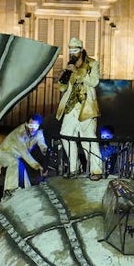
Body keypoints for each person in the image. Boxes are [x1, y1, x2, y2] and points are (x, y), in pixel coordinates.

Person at [56, 36, 103, 179]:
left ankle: (96, 170)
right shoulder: (70, 65)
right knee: (65, 135)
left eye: (75, 51)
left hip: (86, 107)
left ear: (81, 50)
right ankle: (73, 168)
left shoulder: (92, 64)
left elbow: (94, 82)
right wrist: (63, 77)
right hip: (71, 108)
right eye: (71, 51)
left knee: (88, 139)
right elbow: (62, 88)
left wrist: (76, 72)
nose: (72, 54)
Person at [0, 114, 49, 195]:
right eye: (30, 125)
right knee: (14, 163)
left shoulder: (39, 132)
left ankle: (26, 189)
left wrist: (46, 152)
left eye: (35, 126)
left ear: (39, 126)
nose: (32, 128)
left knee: (21, 167)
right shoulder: (20, 133)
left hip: (17, 155)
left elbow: (42, 144)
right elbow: (24, 153)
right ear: (26, 124)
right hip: (3, 153)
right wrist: (37, 166)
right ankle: (9, 189)